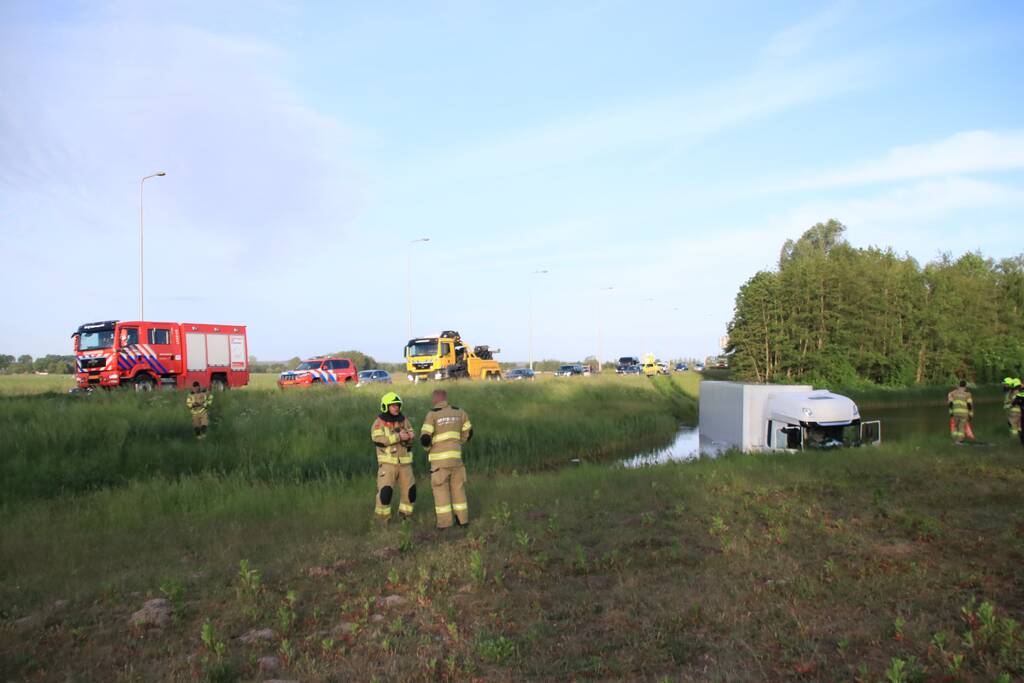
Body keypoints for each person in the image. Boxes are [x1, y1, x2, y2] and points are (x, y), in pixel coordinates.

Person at [420, 389, 473, 529]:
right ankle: (462, 520)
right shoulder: (459, 412)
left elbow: (425, 438)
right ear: (445, 398)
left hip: (439, 462)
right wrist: (458, 442)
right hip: (456, 459)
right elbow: (469, 432)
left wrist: (428, 448)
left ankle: (445, 524)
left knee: (440, 490)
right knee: (458, 489)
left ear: (435, 399)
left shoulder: (432, 414)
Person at [371, 392, 416, 523]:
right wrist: (397, 437)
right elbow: (378, 440)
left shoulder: (404, 420)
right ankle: (382, 521)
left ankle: (405, 518)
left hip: (405, 464)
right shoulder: (379, 423)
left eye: (397, 405)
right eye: (393, 405)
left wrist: (410, 436)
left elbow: (410, 433)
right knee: (385, 494)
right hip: (388, 465)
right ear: (385, 406)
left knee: (410, 493)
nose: (396, 408)